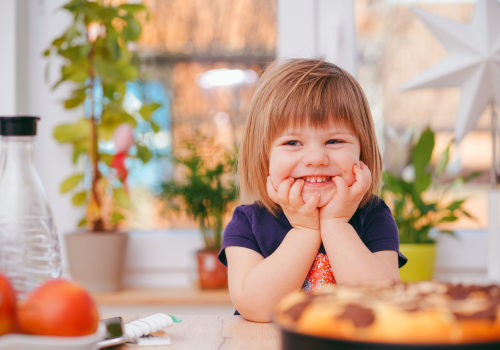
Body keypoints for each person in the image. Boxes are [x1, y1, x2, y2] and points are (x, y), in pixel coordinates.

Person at [217, 59, 407, 323]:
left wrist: (336, 224)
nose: (316, 158)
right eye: (293, 142)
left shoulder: (374, 216)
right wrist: (305, 231)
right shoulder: (247, 223)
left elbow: (382, 304)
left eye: (335, 140)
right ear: (264, 157)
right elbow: (256, 308)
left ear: (362, 151)